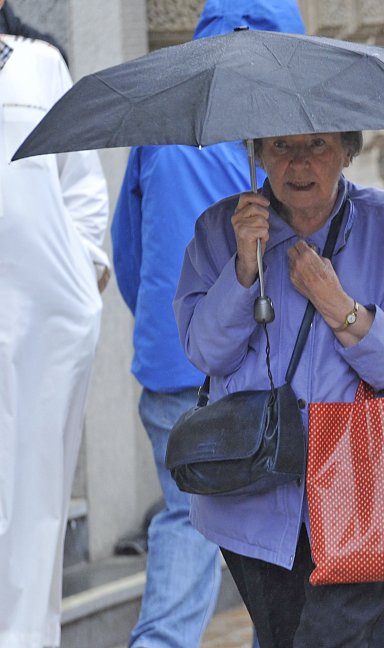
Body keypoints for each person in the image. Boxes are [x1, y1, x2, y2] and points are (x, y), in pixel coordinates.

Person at [174, 131, 384, 647]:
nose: (299, 163)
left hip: (364, 488)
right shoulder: (218, 230)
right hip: (254, 492)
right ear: (259, 154)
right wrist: (243, 270)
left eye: (317, 145)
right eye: (280, 147)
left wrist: (337, 303)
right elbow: (206, 353)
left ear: (348, 151)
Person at [111, 2, 305, 646]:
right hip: (267, 371)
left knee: (186, 515)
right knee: (276, 528)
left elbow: (128, 247)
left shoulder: (168, 113)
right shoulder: (291, 127)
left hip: (172, 364)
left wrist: (169, 328)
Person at [0, 12, 110, 648]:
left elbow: (83, 187)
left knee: (36, 490)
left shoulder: (42, 64)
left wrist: (84, 271)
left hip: (44, 323)